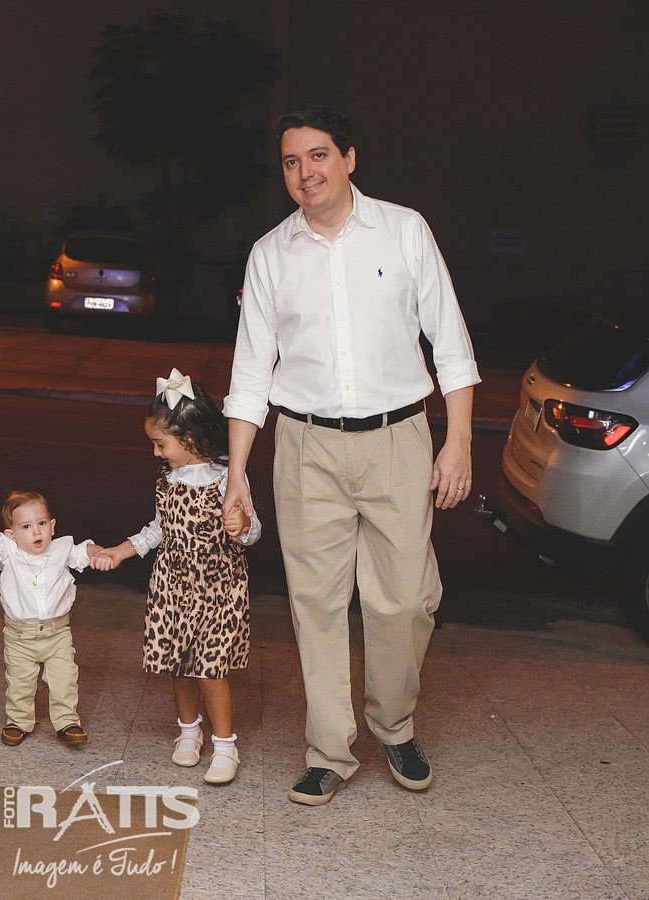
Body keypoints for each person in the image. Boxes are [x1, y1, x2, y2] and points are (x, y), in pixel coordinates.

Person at [222, 106, 480, 805]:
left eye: (318, 155)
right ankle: (329, 750)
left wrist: (458, 441)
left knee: (407, 601)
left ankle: (394, 724)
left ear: (349, 159)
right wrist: (237, 473)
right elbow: (251, 373)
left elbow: (451, 345)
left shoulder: (404, 230)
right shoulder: (270, 254)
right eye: (291, 161)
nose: (305, 172)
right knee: (316, 603)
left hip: (399, 439)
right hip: (306, 445)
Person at [94, 369, 260, 785]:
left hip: (219, 586)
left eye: (160, 443)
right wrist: (120, 551)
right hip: (173, 585)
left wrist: (242, 525)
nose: (155, 452)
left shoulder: (227, 476)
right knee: (179, 664)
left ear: (188, 439)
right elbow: (158, 530)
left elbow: (253, 529)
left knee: (211, 668)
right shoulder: (167, 479)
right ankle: (189, 731)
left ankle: (225, 745)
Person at [0, 490, 103, 748]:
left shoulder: (62, 549)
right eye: (26, 527)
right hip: (20, 636)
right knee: (20, 681)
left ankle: (67, 722)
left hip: (57, 633)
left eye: (41, 523)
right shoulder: (8, 552)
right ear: (11, 534)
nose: (36, 532)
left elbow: (85, 551)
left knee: (65, 678)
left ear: (52, 526)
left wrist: (100, 553)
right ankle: (18, 721)